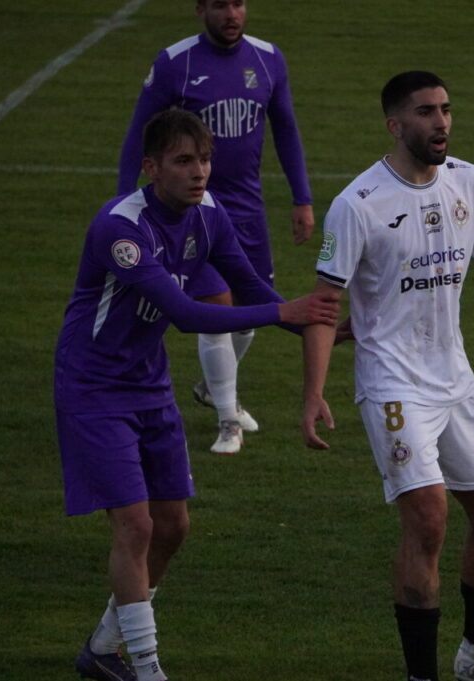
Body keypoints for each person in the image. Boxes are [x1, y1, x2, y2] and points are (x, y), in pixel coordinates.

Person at [301, 71, 474, 681]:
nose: (442, 122)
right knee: (429, 517)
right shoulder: (357, 206)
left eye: (446, 109)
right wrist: (314, 392)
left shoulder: (468, 181)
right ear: (394, 125)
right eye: (426, 112)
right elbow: (326, 305)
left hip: (455, 379)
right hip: (392, 385)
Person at [57, 109, 338, 681]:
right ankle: (146, 665)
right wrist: (289, 311)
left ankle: (104, 647)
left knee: (174, 526)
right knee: (135, 525)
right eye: (185, 161)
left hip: (148, 382)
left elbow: (252, 285)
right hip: (94, 388)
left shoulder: (209, 214)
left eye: (205, 159)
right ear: (151, 167)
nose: (200, 172)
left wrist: (323, 325)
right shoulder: (121, 228)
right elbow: (187, 314)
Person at [118, 0, 315, 454]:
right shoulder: (175, 63)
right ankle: (229, 421)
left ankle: (212, 389)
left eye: (239, 3)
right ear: (200, 8)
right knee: (216, 308)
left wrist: (302, 198)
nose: (232, 14)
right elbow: (138, 133)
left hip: (246, 214)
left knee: (249, 309)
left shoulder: (268, 59)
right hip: (191, 215)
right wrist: (123, 197)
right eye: (221, 4)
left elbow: (286, 128)